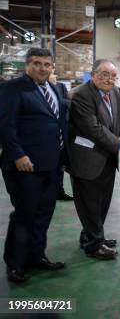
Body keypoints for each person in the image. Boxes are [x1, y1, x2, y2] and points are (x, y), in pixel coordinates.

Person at [0, 48, 69, 283]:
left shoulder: (54, 88)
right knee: (24, 215)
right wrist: (18, 154)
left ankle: (36, 257)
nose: (42, 68)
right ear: (27, 66)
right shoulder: (13, 88)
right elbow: (5, 126)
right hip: (25, 166)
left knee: (43, 214)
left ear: (52, 67)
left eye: (47, 64)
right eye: (37, 63)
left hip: (51, 164)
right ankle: (15, 263)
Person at [68, 59, 120, 260]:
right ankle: (94, 244)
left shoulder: (114, 92)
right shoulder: (80, 95)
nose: (109, 79)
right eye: (104, 74)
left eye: (113, 75)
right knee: (89, 203)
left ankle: (91, 235)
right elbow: (94, 128)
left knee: (102, 202)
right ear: (93, 74)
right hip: (86, 160)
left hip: (107, 158)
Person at [49, 66, 73, 200]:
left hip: (61, 133)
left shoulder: (61, 86)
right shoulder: (35, 87)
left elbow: (67, 103)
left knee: (60, 165)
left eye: (51, 67)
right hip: (46, 135)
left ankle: (59, 191)